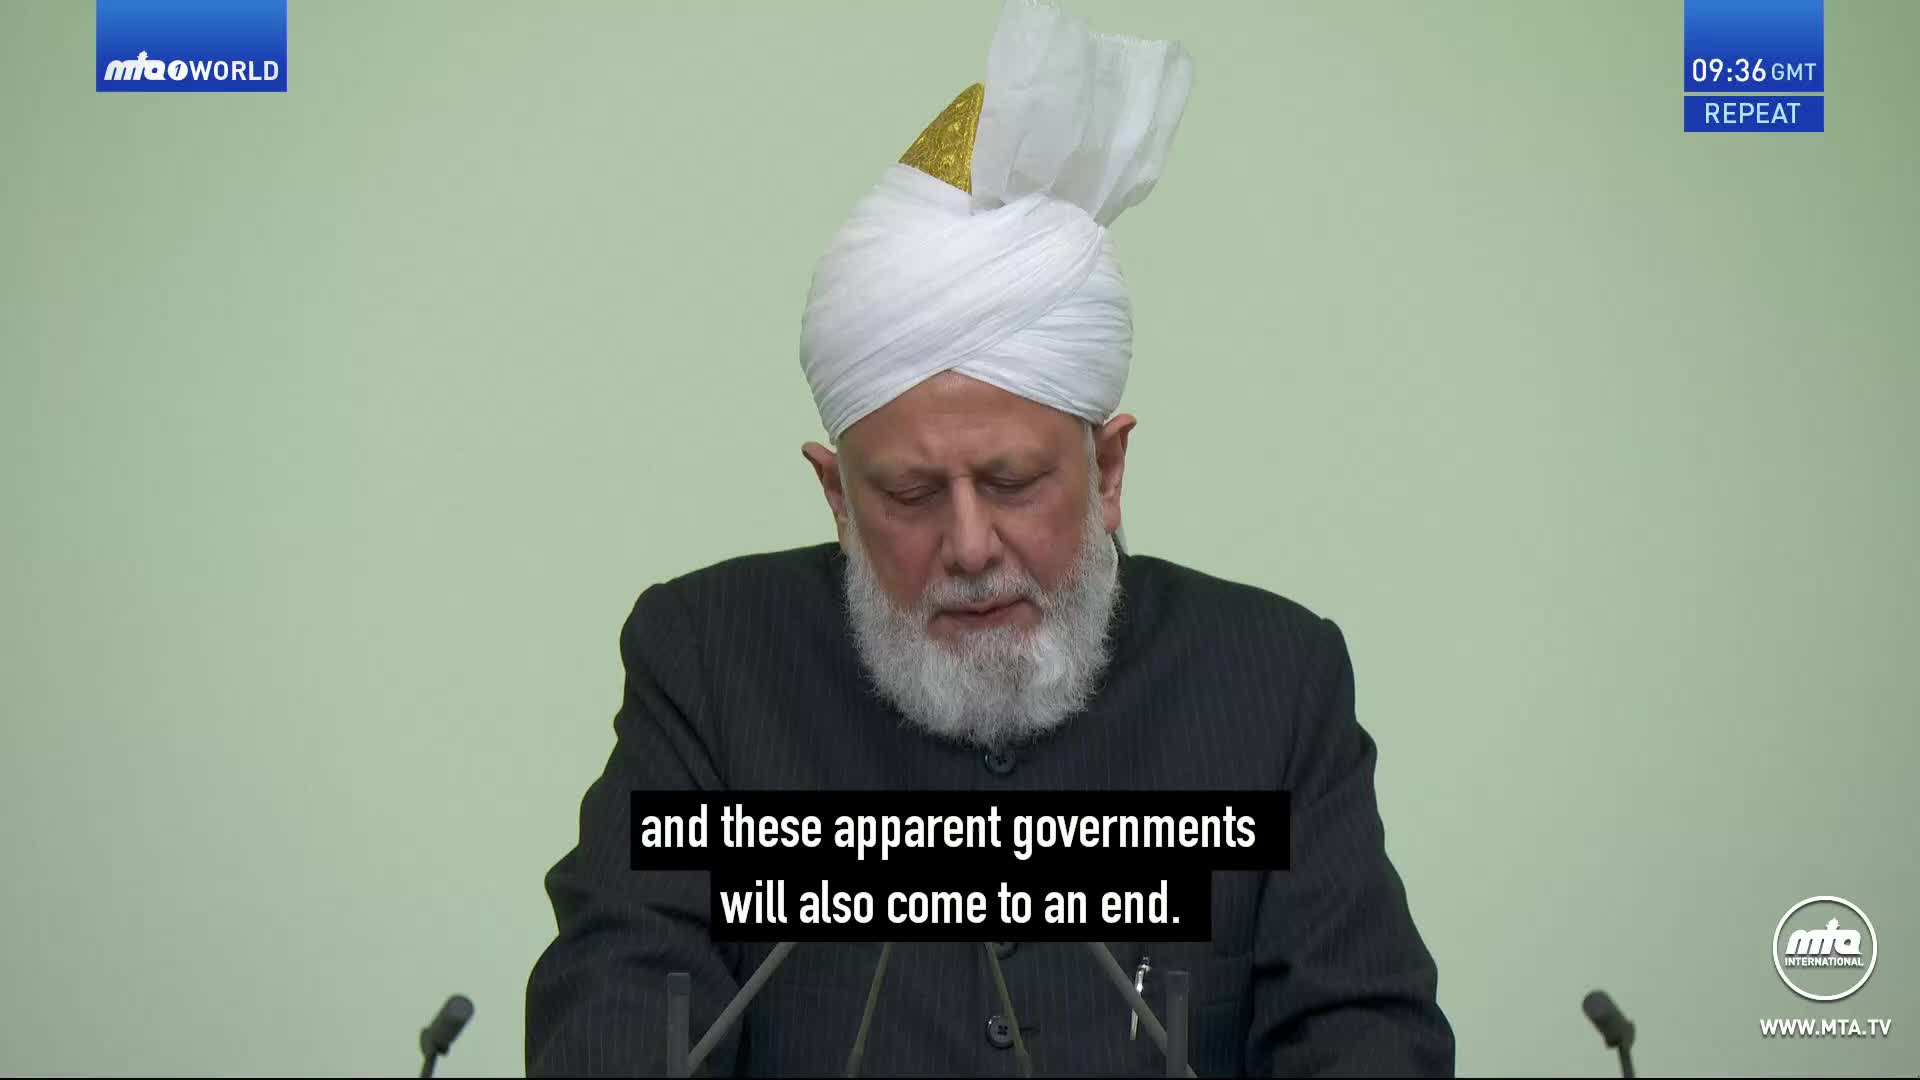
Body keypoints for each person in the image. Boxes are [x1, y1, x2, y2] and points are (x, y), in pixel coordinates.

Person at [526, 1, 1454, 1074]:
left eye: (1013, 483)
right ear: (835, 496)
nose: (970, 547)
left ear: (1108, 471)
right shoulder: (710, 660)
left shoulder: (1273, 681)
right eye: (912, 495)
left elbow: (1367, 1043)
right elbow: (617, 1012)